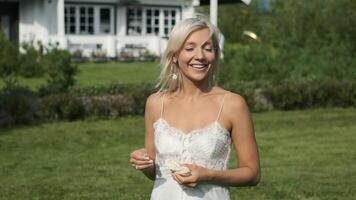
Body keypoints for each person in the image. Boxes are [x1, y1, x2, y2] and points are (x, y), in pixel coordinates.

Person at [129, 16, 260, 200]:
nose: (200, 56)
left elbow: (252, 174)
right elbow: (155, 173)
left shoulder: (232, 104)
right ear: (174, 55)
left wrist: (208, 174)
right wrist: (144, 163)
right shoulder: (156, 103)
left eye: (208, 48)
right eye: (190, 48)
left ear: (215, 55)